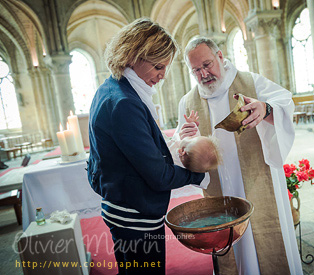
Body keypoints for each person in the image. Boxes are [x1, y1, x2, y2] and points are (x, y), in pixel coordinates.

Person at [171, 36, 302, 274]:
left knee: (266, 237)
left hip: (257, 178)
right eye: (196, 70)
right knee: (233, 253)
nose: (203, 74)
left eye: (207, 64)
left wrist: (265, 108)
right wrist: (185, 139)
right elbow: (180, 147)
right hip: (219, 188)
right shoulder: (187, 102)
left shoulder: (250, 81)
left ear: (220, 56)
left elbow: (285, 101)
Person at [87, 18, 205, 275]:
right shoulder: (125, 103)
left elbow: (134, 151)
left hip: (122, 206)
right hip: (135, 214)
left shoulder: (110, 88)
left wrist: (172, 142)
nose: (162, 75)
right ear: (133, 56)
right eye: (157, 66)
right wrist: (200, 174)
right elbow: (158, 175)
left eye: (166, 68)